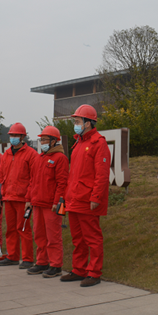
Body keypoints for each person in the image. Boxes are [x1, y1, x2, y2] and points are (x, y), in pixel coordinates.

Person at [60, 105, 111, 287]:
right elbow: (72, 174)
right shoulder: (78, 143)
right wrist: (66, 198)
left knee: (92, 237)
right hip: (74, 198)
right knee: (77, 238)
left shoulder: (99, 143)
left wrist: (96, 198)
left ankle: (94, 272)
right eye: (75, 121)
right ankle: (78, 270)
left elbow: (102, 174)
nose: (75, 124)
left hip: (87, 200)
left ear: (88, 123)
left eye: (78, 121)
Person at [0, 123, 38, 268]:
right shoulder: (6, 155)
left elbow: (33, 179)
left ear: (23, 137)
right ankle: (12, 256)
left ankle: (28, 259)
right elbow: (0, 176)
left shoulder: (31, 154)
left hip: (23, 199)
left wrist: (29, 198)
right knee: (10, 229)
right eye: (11, 135)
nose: (13, 138)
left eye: (16, 135)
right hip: (8, 198)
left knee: (23, 229)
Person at [24, 126, 69, 278]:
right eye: (41, 139)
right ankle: (42, 262)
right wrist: (28, 199)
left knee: (53, 236)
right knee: (39, 235)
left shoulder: (60, 158)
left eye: (45, 139)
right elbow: (32, 181)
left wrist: (57, 202)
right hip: (37, 204)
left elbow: (62, 183)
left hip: (51, 205)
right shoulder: (39, 158)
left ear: (54, 141)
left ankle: (56, 265)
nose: (42, 142)